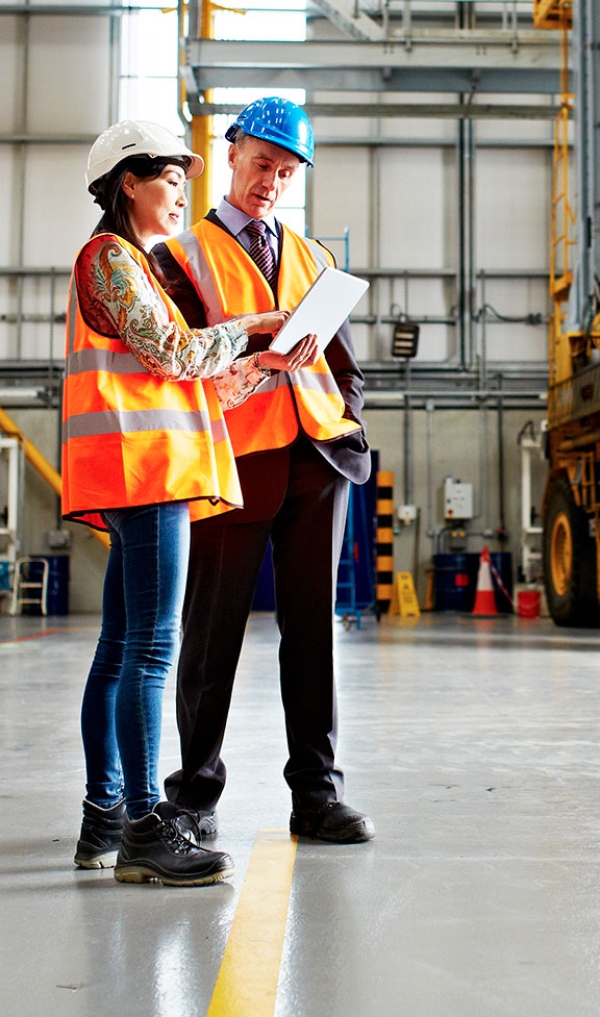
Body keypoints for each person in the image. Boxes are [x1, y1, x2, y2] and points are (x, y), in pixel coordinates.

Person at [64, 118, 317, 887]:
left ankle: (105, 817)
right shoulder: (111, 259)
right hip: (146, 474)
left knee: (119, 649)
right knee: (148, 650)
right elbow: (176, 353)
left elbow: (190, 383)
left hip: (145, 471)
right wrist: (256, 325)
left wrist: (267, 362)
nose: (181, 195)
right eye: (171, 180)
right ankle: (145, 826)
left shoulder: (132, 266)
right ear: (129, 182)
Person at [154, 97, 374, 845]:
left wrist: (349, 420)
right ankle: (193, 794)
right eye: (261, 164)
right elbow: (177, 367)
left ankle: (317, 794)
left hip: (318, 458)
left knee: (313, 633)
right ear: (232, 154)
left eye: (285, 171)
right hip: (233, 461)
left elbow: (345, 364)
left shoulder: (315, 258)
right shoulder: (181, 257)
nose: (271, 182)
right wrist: (257, 360)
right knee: (211, 632)